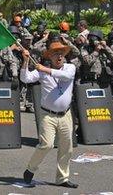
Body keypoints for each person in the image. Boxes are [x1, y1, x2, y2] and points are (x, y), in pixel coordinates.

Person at [20, 42, 78, 189]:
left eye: (61, 54)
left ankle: (62, 178)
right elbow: (25, 78)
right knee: (46, 144)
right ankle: (30, 169)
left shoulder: (70, 67)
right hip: (48, 115)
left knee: (67, 148)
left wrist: (45, 69)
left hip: (65, 115)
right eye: (55, 54)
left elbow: (66, 76)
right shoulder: (41, 72)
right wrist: (26, 61)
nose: (59, 56)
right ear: (50, 57)